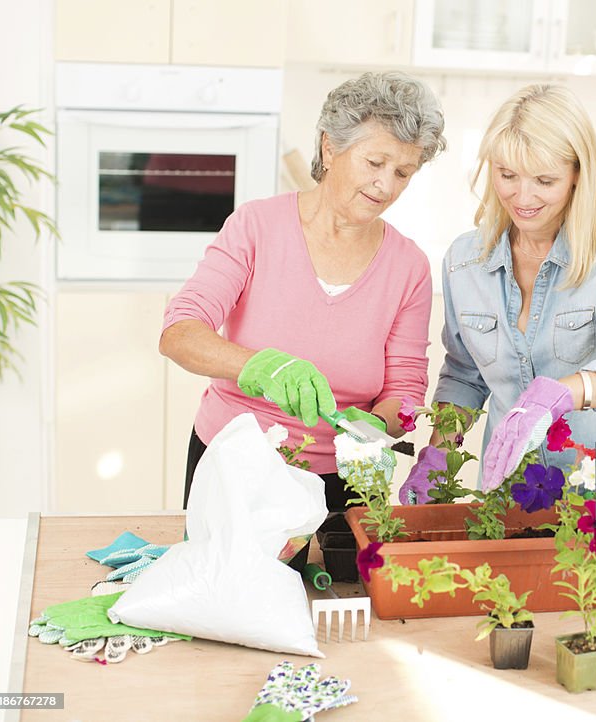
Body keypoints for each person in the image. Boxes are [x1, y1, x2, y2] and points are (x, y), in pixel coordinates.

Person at [159, 72, 447, 560]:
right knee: (234, 608)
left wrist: (374, 426)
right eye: (374, 162)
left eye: (403, 172)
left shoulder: (409, 266)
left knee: (345, 622)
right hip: (239, 466)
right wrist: (259, 366)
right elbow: (180, 332)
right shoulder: (256, 226)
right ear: (330, 148)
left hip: (346, 485)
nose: (386, 185)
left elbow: (404, 389)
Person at [401, 83, 596, 500]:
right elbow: (464, 375)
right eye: (507, 175)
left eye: (544, 180)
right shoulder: (464, 262)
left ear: (577, 174)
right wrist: (439, 455)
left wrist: (567, 392)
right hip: (512, 493)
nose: (522, 197)